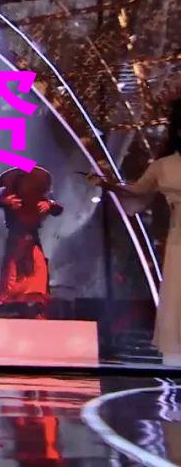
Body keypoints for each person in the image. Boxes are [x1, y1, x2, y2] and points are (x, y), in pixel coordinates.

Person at [89, 99, 181, 358]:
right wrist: (108, 185)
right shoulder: (164, 166)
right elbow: (138, 191)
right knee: (177, 290)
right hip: (178, 236)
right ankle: (176, 352)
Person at [0, 166, 63, 318]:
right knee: (12, 269)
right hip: (16, 235)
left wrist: (50, 205)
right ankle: (9, 303)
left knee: (39, 268)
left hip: (32, 236)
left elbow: (57, 208)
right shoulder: (6, 192)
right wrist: (4, 201)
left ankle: (35, 304)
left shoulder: (39, 195)